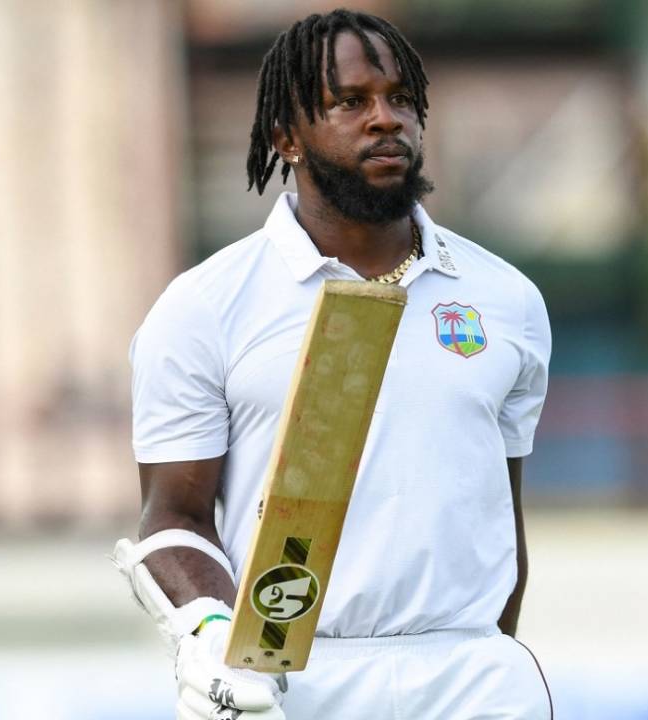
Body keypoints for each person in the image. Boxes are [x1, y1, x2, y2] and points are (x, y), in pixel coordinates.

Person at [113, 8, 552, 720]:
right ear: (286, 135)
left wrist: (494, 652)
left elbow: (500, 515)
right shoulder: (205, 306)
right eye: (350, 102)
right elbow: (173, 515)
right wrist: (214, 635)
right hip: (292, 674)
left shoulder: (506, 300)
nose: (386, 120)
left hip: (471, 673)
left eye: (401, 99)